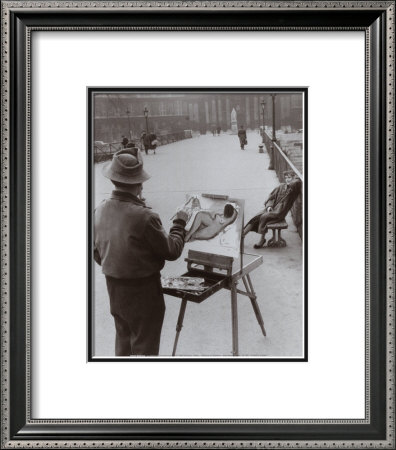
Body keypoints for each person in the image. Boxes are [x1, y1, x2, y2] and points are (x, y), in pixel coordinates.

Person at [94, 149, 188, 356]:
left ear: (113, 180)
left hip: (114, 289)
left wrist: (121, 264)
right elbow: (172, 251)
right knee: (145, 347)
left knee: (123, 340)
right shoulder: (145, 216)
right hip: (144, 291)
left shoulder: (98, 210)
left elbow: (96, 253)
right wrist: (180, 224)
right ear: (139, 184)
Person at [243, 170, 302, 248]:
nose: (287, 179)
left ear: (294, 178)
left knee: (263, 217)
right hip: (271, 209)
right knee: (255, 219)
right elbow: (271, 198)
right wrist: (269, 206)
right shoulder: (281, 186)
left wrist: (295, 176)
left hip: (279, 212)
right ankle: (243, 236)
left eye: (290, 177)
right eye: (286, 178)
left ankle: (258, 239)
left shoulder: (293, 189)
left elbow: (297, 181)